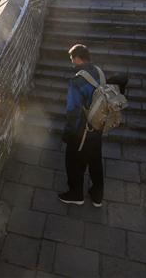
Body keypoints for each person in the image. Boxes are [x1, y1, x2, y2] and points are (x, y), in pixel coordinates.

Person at [59, 44, 104, 206]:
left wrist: (69, 133)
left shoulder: (77, 81)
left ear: (78, 58)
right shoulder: (99, 71)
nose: (72, 62)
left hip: (82, 131)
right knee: (95, 161)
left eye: (72, 59)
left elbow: (73, 110)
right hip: (98, 126)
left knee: (73, 162)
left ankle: (76, 194)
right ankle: (97, 195)